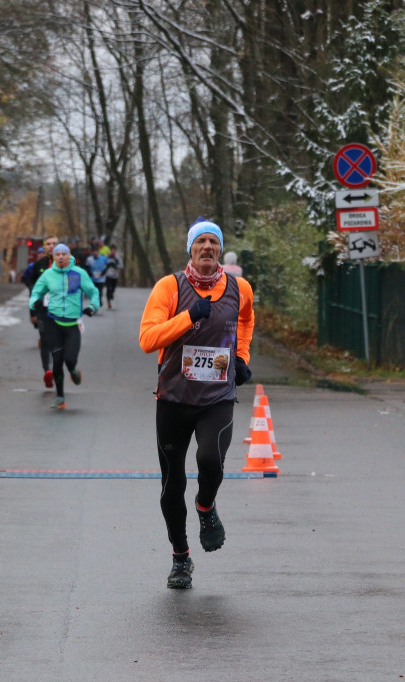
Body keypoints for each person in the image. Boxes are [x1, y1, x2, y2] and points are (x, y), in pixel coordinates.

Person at [139, 219, 255, 589]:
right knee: (172, 484)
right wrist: (189, 317)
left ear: (220, 249)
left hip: (216, 397)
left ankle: (206, 506)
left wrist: (240, 355)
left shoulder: (240, 288)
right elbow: (147, 339)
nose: (207, 247)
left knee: (210, 461)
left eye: (213, 242)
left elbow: (246, 319)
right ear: (190, 248)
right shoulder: (169, 287)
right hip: (174, 397)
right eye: (201, 241)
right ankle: (180, 559)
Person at [29, 243, 100, 410]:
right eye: (57, 254)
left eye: (64, 254)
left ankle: (74, 370)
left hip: (72, 324)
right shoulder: (48, 275)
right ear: (53, 257)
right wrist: (35, 302)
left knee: (69, 359)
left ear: (69, 256)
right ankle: (60, 397)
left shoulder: (78, 273)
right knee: (57, 361)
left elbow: (93, 292)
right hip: (53, 323)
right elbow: (36, 293)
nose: (61, 257)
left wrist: (92, 307)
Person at [28, 238, 58, 388]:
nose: (51, 247)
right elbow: (33, 290)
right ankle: (47, 371)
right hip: (43, 309)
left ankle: (58, 370)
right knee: (45, 339)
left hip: (61, 309)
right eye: (48, 244)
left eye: (54, 244)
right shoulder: (38, 265)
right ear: (45, 248)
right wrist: (32, 312)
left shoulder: (66, 265)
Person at [104, 245, 123, 309]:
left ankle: (111, 294)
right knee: (108, 288)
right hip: (108, 275)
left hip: (115, 275)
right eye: (112, 249)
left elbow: (121, 266)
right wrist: (107, 266)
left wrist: (116, 266)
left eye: (114, 250)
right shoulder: (107, 257)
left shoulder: (117, 257)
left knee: (113, 288)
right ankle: (108, 302)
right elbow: (103, 264)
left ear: (115, 250)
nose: (113, 251)